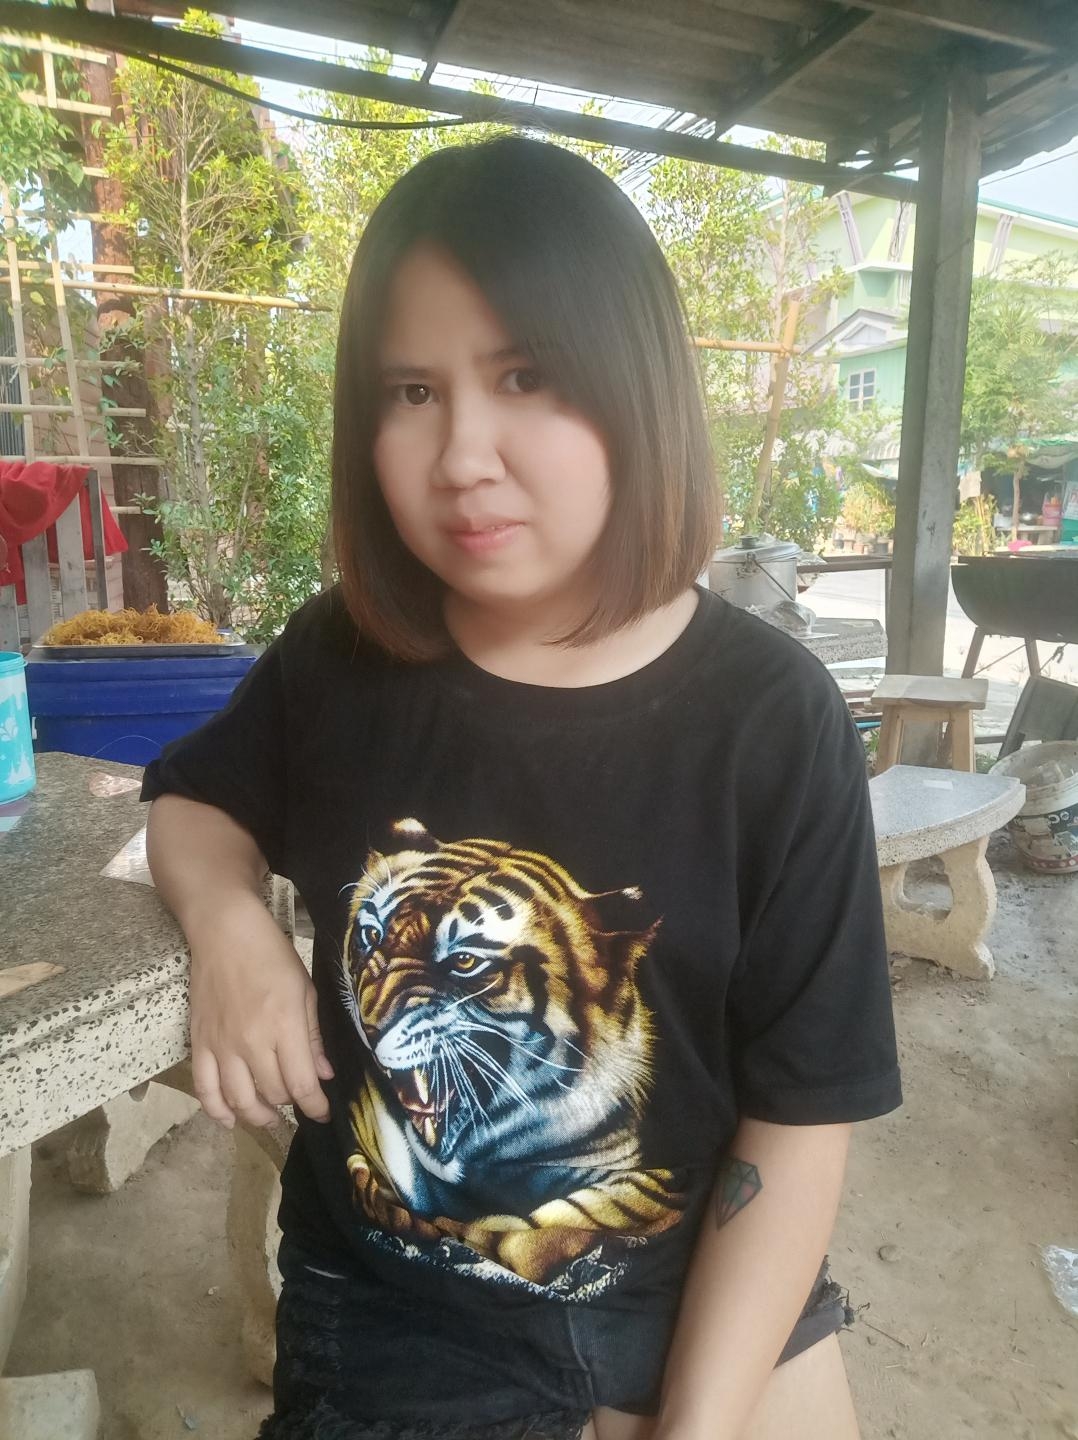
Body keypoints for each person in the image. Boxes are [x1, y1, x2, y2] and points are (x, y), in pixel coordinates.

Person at [142, 135, 901, 1440]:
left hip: (702, 1282)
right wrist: (230, 924)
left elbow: (798, 1121)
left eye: (525, 376)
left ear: (636, 387)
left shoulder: (774, 722)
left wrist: (693, 1425)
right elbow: (192, 799)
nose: (459, 456)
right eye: (411, 390)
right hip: (402, 1310)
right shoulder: (343, 658)